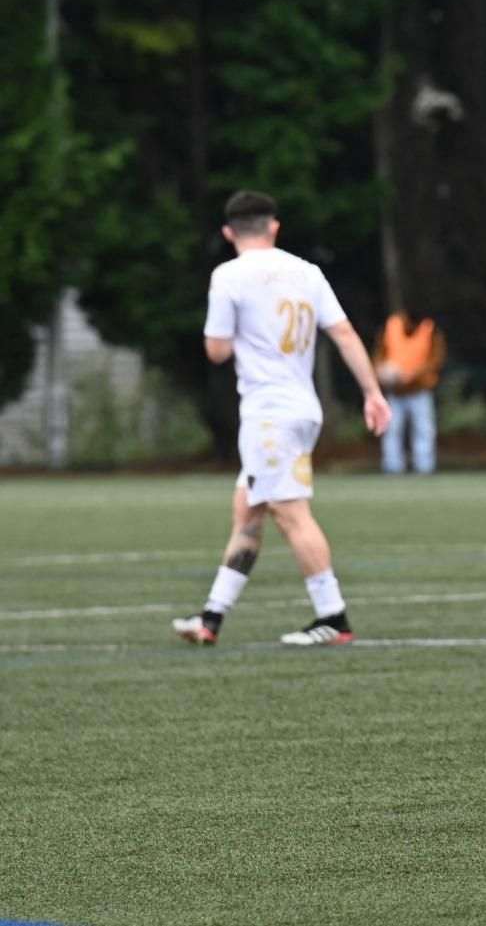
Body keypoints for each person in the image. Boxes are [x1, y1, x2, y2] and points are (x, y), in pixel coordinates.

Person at [172, 190, 391, 647]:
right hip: (300, 408)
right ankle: (210, 618)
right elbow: (344, 332)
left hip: (268, 415)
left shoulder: (228, 276)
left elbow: (215, 349)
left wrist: (241, 337)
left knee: (291, 514)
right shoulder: (306, 272)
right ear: (274, 226)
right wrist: (372, 392)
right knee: (247, 513)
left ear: (229, 232)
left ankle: (334, 617)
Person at [374, 310, 445, 475]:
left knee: (424, 429)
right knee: (391, 429)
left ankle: (424, 467)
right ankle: (392, 467)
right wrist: (379, 372)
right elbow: (379, 354)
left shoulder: (430, 329)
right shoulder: (391, 326)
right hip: (395, 391)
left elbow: (436, 359)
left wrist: (413, 375)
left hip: (420, 390)